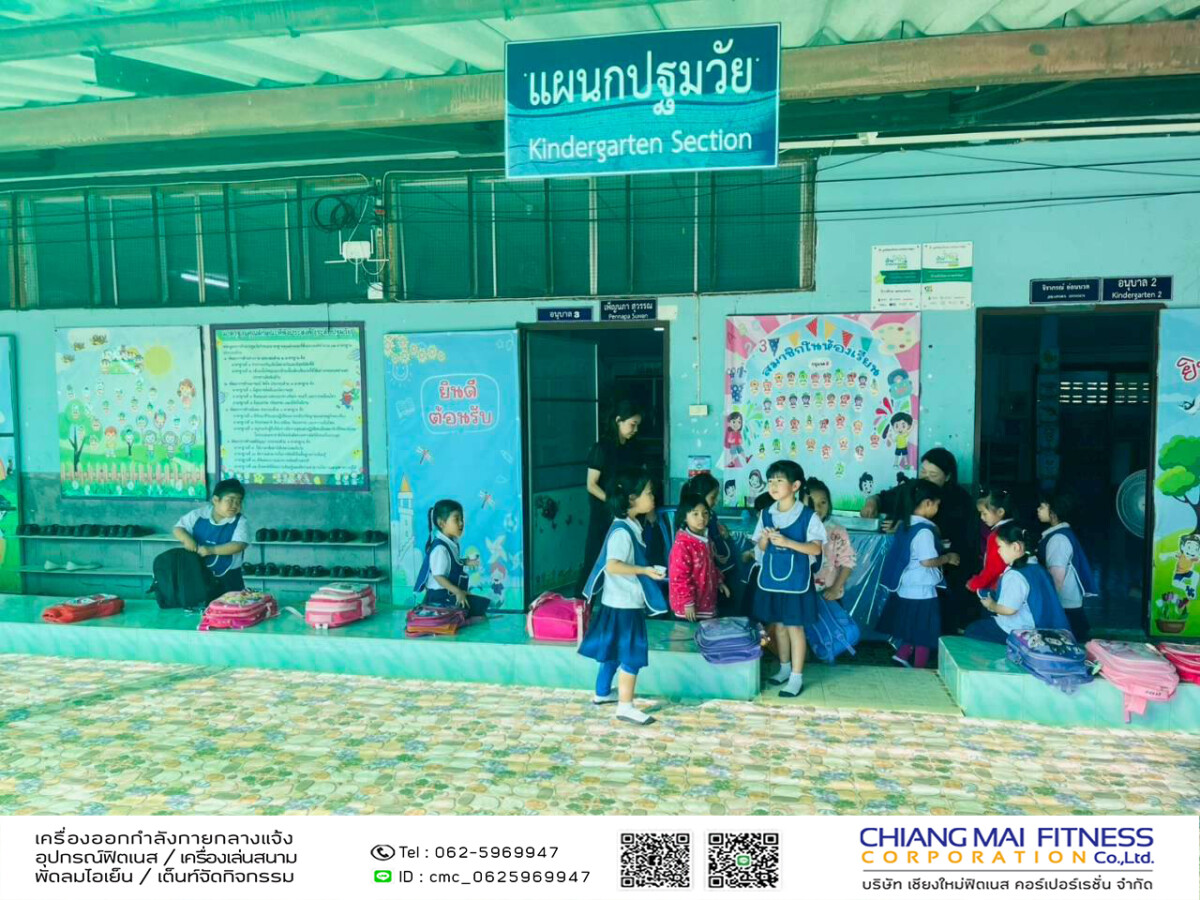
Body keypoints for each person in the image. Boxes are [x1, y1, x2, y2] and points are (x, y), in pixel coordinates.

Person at [578, 469, 667, 726]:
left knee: (612, 652)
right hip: (625, 606)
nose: (653, 497)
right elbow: (613, 565)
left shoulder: (629, 525)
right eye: (649, 493)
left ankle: (602, 692)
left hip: (616, 604)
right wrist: (645, 571)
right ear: (631, 499)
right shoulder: (622, 531)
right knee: (631, 655)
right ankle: (625, 707)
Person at [861, 447, 977, 633]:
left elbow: (953, 536)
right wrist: (872, 502)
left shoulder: (960, 500)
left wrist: (905, 526)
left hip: (950, 566)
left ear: (948, 477)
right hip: (917, 570)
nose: (926, 478)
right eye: (923, 472)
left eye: (933, 475)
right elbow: (883, 497)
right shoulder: (915, 488)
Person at [752, 460, 825, 698]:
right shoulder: (765, 514)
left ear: (795, 486)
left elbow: (815, 548)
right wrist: (765, 539)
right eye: (770, 480)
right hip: (773, 580)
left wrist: (787, 542)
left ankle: (796, 677)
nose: (773, 485)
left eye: (779, 480)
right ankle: (784, 668)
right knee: (779, 627)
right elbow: (761, 549)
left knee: (795, 627)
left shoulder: (808, 516)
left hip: (797, 582)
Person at [876, 480, 960, 668]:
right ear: (928, 503)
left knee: (912, 626)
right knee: (925, 631)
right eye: (937, 504)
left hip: (906, 586)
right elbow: (927, 561)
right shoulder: (925, 532)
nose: (938, 509)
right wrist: (948, 557)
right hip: (922, 590)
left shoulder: (905, 525)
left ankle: (902, 654)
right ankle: (920, 667)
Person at [966, 522, 1070, 643]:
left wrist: (991, 604)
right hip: (1042, 627)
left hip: (1022, 632)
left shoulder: (1015, 575)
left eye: (1000, 546)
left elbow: (1009, 610)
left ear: (1015, 547)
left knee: (972, 630)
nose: (998, 551)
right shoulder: (1038, 568)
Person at [581, 400, 644, 592]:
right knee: (594, 557)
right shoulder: (602, 448)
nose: (635, 429)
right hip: (604, 512)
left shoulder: (632, 448)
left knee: (625, 557)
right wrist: (613, 502)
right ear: (618, 420)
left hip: (626, 511)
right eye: (632, 424)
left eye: (638, 425)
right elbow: (591, 485)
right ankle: (582, 601)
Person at [172, 478, 251, 594]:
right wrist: (187, 539)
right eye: (230, 500)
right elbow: (178, 528)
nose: (235, 505)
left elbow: (239, 545)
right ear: (215, 500)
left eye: (239, 501)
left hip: (230, 576)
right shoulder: (198, 515)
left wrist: (211, 550)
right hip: (199, 573)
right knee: (202, 602)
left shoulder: (240, 521)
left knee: (231, 603)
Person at [415, 499, 490, 618]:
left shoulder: (451, 543)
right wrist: (458, 592)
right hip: (439, 597)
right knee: (477, 608)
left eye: (462, 519)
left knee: (481, 605)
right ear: (441, 523)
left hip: (448, 593)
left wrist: (465, 561)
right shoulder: (440, 549)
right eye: (456, 519)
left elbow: (450, 563)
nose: (461, 523)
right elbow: (438, 577)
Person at [1036, 492, 1096, 642]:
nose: (1038, 509)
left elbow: (1056, 578)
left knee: (1069, 642)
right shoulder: (1061, 534)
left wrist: (1048, 604)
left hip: (1064, 605)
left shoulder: (1058, 539)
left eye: (1042, 506)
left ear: (1054, 512)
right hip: (1068, 603)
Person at [668, 491, 729, 621]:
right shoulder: (682, 544)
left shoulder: (705, 538)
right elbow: (679, 577)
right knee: (687, 634)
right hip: (689, 610)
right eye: (695, 514)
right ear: (685, 517)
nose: (701, 518)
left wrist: (719, 581)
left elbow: (710, 566)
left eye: (705, 513)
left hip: (705, 604)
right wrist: (687, 602)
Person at [682, 472, 736, 587]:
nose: (717, 501)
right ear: (699, 496)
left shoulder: (711, 515)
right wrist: (713, 554)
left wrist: (725, 535)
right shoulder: (695, 520)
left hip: (718, 568)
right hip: (709, 569)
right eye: (713, 497)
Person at [806, 478, 856, 602]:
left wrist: (835, 588)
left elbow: (848, 562)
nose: (817, 507)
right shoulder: (795, 529)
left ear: (829, 504)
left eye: (823, 502)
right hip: (800, 594)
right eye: (811, 503)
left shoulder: (837, 531)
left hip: (829, 594)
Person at [966, 488, 1014, 598]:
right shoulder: (1015, 529)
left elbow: (993, 568)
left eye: (984, 513)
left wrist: (976, 583)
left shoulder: (996, 536)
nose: (981, 517)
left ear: (1000, 512)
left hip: (998, 588)